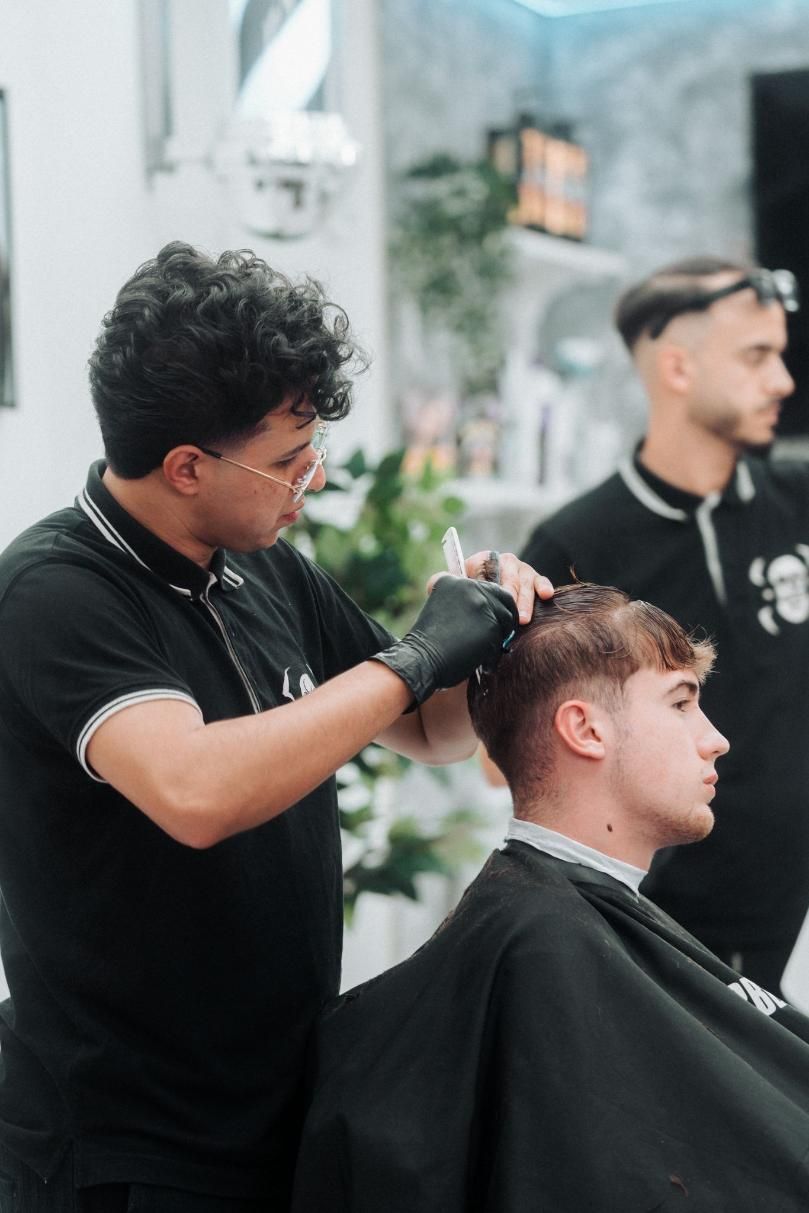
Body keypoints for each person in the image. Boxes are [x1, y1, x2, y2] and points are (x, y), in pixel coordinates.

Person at [0, 241, 549, 1212]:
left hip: (276, 1103)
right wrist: (414, 655)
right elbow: (195, 790)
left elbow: (431, 732)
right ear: (185, 466)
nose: (314, 481)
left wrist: (480, 630)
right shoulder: (56, 593)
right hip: (127, 1142)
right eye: (290, 462)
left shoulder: (261, 565)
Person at [290, 583, 809, 1213]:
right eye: (681, 703)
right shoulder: (541, 948)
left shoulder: (549, 926)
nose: (716, 738)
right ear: (585, 729)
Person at [518, 256, 806, 994]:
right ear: (677, 367)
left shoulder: (798, 500)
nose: (782, 381)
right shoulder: (577, 546)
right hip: (662, 940)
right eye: (756, 356)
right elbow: (518, 756)